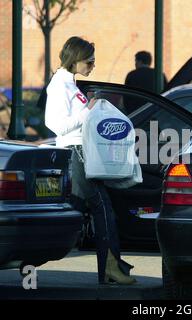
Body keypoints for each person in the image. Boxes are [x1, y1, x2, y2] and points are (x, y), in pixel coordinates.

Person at [45, 36, 136, 285]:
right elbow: (57, 125)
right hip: (76, 153)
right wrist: (89, 109)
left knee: (83, 209)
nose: (93, 66)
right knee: (102, 208)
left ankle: (111, 266)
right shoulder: (59, 87)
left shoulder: (70, 85)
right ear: (75, 60)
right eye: (90, 61)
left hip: (83, 152)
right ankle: (110, 267)